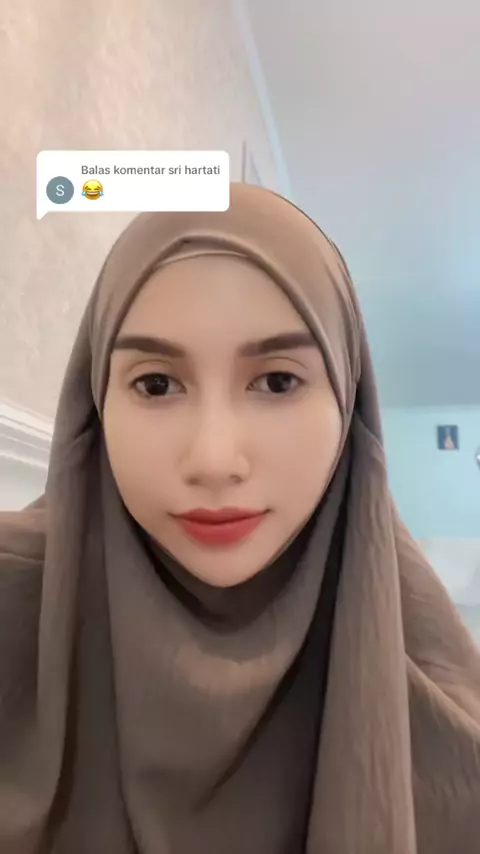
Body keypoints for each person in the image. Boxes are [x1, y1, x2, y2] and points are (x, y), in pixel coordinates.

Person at [1, 183, 479, 854]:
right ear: (96, 403)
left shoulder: (447, 718)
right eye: (156, 384)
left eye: (278, 381)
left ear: (348, 407)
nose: (215, 460)